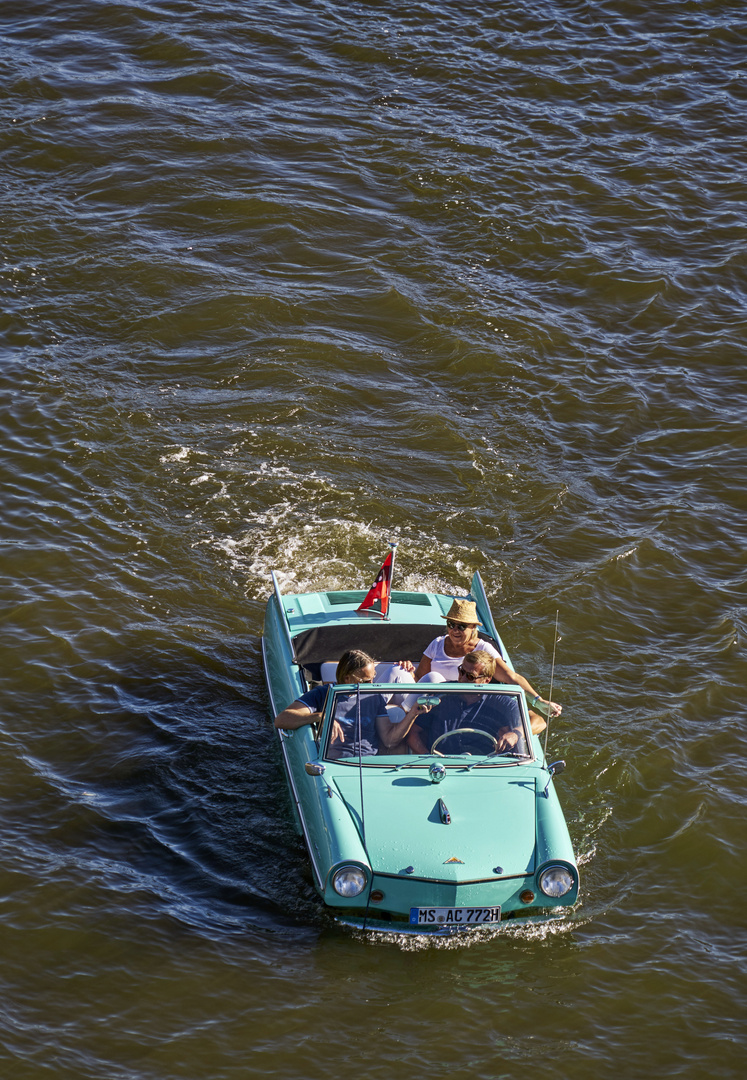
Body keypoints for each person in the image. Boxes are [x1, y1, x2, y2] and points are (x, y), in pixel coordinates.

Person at [398, 598, 561, 722]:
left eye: (461, 626)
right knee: (396, 671)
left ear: (473, 628)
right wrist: (407, 669)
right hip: (430, 703)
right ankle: (383, 715)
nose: (454, 630)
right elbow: (420, 679)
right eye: (451, 624)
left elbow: (511, 677)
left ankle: (399, 719)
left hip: (459, 706)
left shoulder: (484, 650)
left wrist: (538, 701)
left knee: (435, 678)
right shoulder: (437, 644)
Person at [403, 652, 526, 755]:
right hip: (441, 763)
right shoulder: (441, 694)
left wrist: (515, 734)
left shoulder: (500, 701)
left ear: (487, 680)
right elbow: (413, 733)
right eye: (461, 671)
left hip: (483, 766)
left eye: (470, 676)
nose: (462, 678)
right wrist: (428, 757)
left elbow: (537, 720)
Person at [273, 649, 391, 757]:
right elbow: (281, 720)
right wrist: (321, 716)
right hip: (334, 762)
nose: (372, 684)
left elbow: (388, 739)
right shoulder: (322, 694)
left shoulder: (374, 696)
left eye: (373, 677)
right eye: (365, 681)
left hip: (369, 762)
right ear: (347, 678)